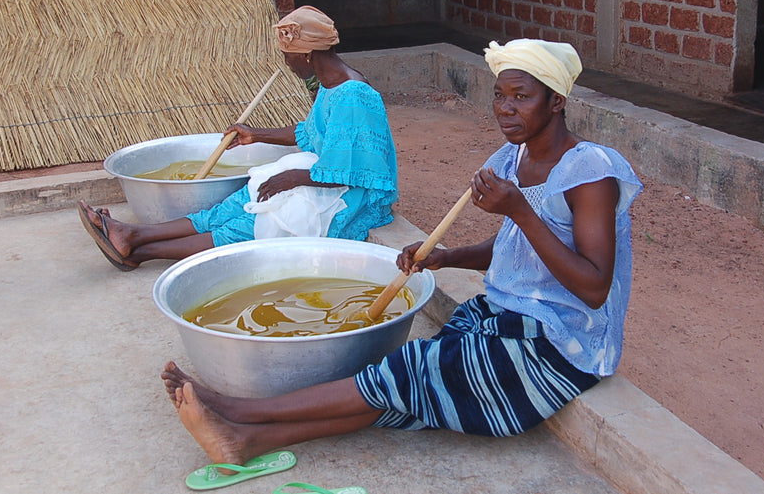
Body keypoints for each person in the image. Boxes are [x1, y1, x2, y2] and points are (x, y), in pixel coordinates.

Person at [159, 38, 643, 466]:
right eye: (499, 94)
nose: (505, 108)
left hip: (562, 345)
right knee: (412, 382)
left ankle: (235, 409)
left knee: (408, 371)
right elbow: (517, 248)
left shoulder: (590, 171)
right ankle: (244, 441)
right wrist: (447, 257)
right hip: (506, 315)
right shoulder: (515, 158)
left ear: (556, 101)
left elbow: (594, 285)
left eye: (522, 97)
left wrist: (518, 210)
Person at [78, 6, 399, 270]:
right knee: (238, 203)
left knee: (256, 223)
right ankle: (133, 234)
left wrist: (291, 178)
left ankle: (138, 252)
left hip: (354, 196)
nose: (286, 64)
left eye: (287, 57)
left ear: (306, 56)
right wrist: (254, 135)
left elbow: (350, 171)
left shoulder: (353, 95)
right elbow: (311, 133)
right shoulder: (331, 86)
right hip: (322, 176)